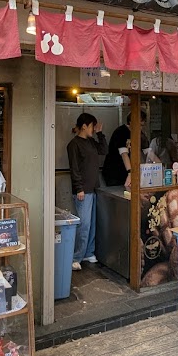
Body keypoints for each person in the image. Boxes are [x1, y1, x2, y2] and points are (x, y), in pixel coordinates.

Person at [67, 113, 107, 271]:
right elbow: (74, 168)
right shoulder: (74, 144)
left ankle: (88, 252)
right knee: (83, 224)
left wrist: (100, 133)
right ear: (84, 126)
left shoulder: (90, 141)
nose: (93, 128)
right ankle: (76, 256)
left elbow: (104, 150)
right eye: (92, 125)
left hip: (93, 187)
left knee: (91, 224)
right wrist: (79, 188)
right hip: (83, 190)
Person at [102, 114, 134, 188]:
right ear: (131, 122)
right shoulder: (121, 132)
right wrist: (130, 172)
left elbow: (147, 151)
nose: (141, 128)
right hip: (114, 172)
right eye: (140, 125)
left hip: (127, 172)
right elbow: (124, 153)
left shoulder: (139, 134)